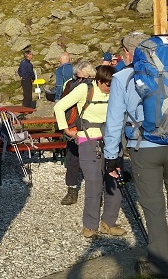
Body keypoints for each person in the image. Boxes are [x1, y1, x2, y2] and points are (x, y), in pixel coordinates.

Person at [103, 31, 168, 278]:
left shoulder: (122, 77)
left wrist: (111, 155)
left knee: (152, 202)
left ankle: (160, 261)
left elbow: (114, 120)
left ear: (129, 53)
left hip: (145, 147)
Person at [55, 64, 122, 238]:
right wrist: (67, 130)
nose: (110, 88)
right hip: (88, 140)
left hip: (112, 141)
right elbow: (59, 107)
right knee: (93, 183)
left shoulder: (116, 88)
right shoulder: (85, 89)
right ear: (98, 80)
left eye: (112, 84)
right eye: (107, 85)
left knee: (114, 182)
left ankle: (109, 223)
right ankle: (90, 226)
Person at [55, 60, 95, 205]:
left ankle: (86, 193)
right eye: (78, 77)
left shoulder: (73, 84)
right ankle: (73, 191)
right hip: (76, 127)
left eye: (81, 78)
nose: (79, 80)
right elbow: (62, 105)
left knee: (86, 161)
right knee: (75, 160)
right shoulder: (73, 85)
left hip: (82, 127)